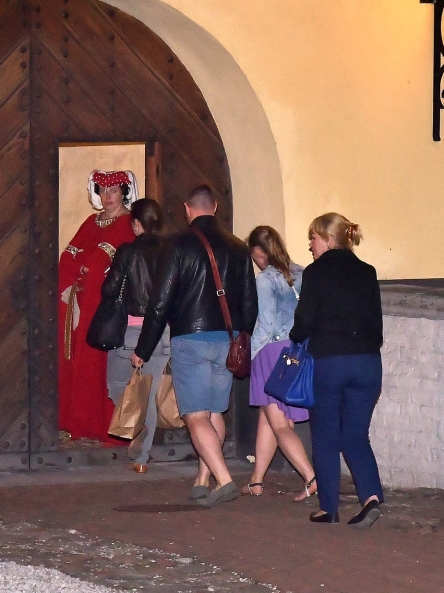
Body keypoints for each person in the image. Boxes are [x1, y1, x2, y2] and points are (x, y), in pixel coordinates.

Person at [134, 184, 257, 508]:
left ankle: (224, 480)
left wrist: (143, 348)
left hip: (190, 339)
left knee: (194, 415)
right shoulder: (238, 247)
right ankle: (203, 479)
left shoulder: (177, 245)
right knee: (215, 411)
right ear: (214, 207)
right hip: (227, 340)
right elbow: (250, 301)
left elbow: (160, 302)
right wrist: (242, 336)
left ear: (188, 210)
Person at [290, 213, 384, 528]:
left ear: (329, 239)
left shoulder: (316, 273)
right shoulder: (367, 271)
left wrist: (295, 337)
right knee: (356, 435)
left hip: (330, 362)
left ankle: (329, 508)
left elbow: (304, 321)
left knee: (326, 435)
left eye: (313, 239)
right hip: (367, 363)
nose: (310, 245)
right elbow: (377, 324)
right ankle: (371, 496)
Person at [57, 170, 138, 441]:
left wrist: (85, 267)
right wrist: (84, 269)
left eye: (113, 190)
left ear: (123, 192)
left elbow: (99, 265)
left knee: (99, 364)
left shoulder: (127, 224)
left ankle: (103, 424)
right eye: (103, 190)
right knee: (78, 361)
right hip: (79, 302)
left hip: (104, 307)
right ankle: (77, 420)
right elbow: (66, 259)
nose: (107, 196)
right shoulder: (91, 222)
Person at [241, 225, 317, 502]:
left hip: (271, 351)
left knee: (280, 423)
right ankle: (256, 480)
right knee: (268, 417)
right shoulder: (301, 273)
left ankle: (311, 477)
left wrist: (251, 355)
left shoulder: (265, 280)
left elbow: (265, 323)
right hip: (296, 349)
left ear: (259, 251)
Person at [99, 199, 171, 473]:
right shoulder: (171, 252)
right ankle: (142, 456)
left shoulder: (128, 251)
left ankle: (139, 438)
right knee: (149, 393)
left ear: (137, 224)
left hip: (131, 330)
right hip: (162, 331)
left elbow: (109, 289)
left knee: (116, 385)